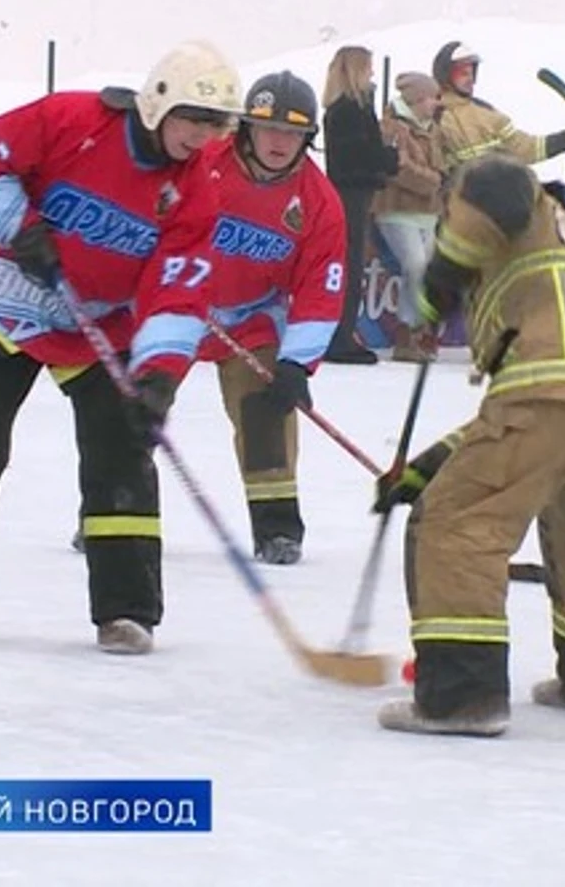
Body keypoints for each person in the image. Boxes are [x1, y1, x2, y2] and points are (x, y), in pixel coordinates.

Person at [0, 40, 238, 656]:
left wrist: (158, 376)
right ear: (158, 104)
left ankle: (126, 612)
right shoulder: (71, 121)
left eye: (215, 125)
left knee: (121, 458)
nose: (203, 137)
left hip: (100, 327)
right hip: (11, 306)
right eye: (195, 119)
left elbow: (177, 286)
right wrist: (19, 229)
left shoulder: (196, 189)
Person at [370, 152, 565, 738]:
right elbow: (516, 433)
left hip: (562, 383)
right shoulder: (551, 250)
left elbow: (498, 181)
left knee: (457, 520)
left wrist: (438, 281)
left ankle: (460, 696)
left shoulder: (494, 187)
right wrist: (428, 466)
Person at [192, 70, 349, 566]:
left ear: (309, 139)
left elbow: (321, 289)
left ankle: (277, 527)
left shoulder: (320, 202)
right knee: (131, 406)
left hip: (250, 318)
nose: (280, 141)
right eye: (269, 128)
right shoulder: (203, 164)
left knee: (266, 412)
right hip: (180, 304)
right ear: (246, 129)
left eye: (293, 132)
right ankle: (111, 513)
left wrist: (296, 365)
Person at [318, 45, 395, 365]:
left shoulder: (343, 108)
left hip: (350, 191)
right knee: (349, 265)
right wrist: (388, 156)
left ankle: (342, 332)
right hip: (351, 193)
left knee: (351, 264)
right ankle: (341, 335)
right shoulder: (350, 110)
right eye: (368, 68)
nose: (373, 74)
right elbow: (357, 157)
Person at [373, 71, 451, 362]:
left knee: (424, 270)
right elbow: (400, 169)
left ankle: (417, 331)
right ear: (418, 98)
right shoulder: (391, 128)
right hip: (397, 210)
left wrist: (439, 179)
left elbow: (441, 165)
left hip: (428, 214)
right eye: (432, 97)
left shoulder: (433, 128)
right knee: (415, 265)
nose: (436, 103)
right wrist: (434, 181)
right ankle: (407, 333)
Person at [430, 41, 565, 175]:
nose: (469, 79)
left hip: (497, 195)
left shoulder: (486, 113)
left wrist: (559, 142)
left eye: (472, 73)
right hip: (455, 200)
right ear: (446, 75)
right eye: (462, 73)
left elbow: (520, 147)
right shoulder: (432, 114)